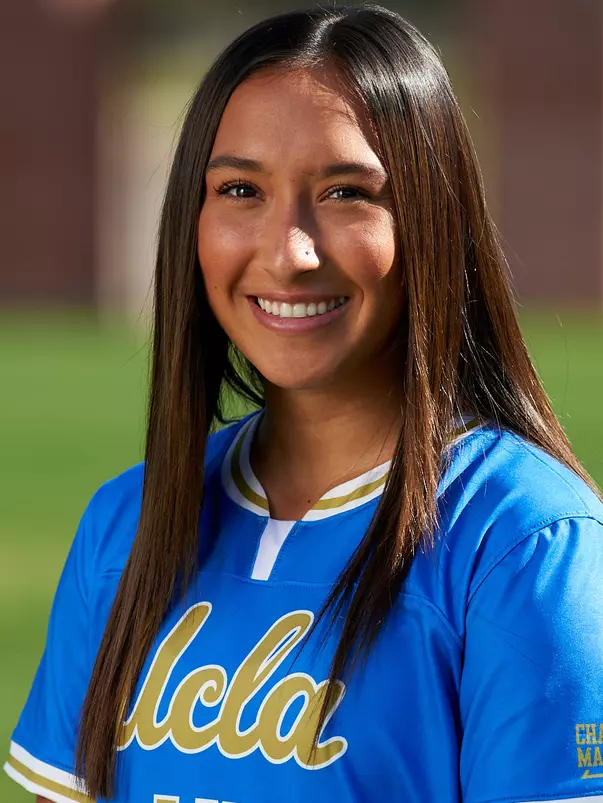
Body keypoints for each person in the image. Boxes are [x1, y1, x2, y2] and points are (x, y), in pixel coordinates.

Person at [5, 4, 603, 802]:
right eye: (241, 188)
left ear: (432, 217)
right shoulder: (128, 525)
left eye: (346, 191)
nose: (288, 251)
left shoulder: (522, 544)